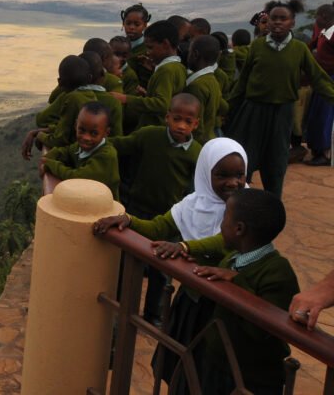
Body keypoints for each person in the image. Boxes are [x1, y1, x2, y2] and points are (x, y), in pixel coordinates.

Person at [93, 138, 247, 393]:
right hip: (193, 301)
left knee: (214, 372)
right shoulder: (192, 204)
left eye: (239, 175)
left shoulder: (246, 208)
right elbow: (159, 227)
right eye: (222, 175)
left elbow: (225, 242)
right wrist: (128, 221)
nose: (233, 182)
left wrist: (187, 247)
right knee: (183, 365)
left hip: (225, 305)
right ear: (206, 173)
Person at [193, 189, 299, 395]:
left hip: (252, 378)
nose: (221, 224)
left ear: (239, 229)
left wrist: (237, 281)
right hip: (218, 364)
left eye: (225, 217)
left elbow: (263, 327)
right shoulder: (232, 259)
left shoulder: (278, 272)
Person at [109, 93, 203, 324]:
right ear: (167, 117)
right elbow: (119, 146)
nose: (181, 126)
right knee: (126, 261)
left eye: (187, 122)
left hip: (170, 217)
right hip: (137, 209)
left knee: (162, 269)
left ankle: (155, 315)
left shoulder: (197, 154)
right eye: (176, 119)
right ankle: (120, 307)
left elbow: (196, 190)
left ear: (196, 124)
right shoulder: (149, 136)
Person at [227, 0, 334, 196]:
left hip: (282, 113)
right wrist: (227, 109)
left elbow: (318, 78)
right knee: (246, 159)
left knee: (276, 162)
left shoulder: (299, 49)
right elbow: (242, 83)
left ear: (292, 22)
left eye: (283, 19)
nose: (277, 22)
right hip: (253, 111)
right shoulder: (257, 47)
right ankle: (240, 203)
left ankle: (272, 206)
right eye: (273, 18)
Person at [111, 21, 186, 130]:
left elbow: (162, 104)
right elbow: (168, 98)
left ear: (165, 44)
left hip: (155, 128)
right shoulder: (178, 67)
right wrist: (148, 95)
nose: (147, 52)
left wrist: (126, 98)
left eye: (150, 47)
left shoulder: (166, 70)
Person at [39, 102, 119, 199]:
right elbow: (66, 151)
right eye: (82, 130)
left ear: (106, 133)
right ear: (76, 125)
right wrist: (50, 155)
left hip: (104, 210)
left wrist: (50, 165)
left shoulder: (106, 156)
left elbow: (77, 178)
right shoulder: (80, 146)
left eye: (94, 133)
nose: (86, 137)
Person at [21, 55, 91, 159]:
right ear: (90, 78)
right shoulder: (90, 95)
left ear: (60, 82)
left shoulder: (72, 99)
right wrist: (36, 132)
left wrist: (40, 135)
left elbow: (59, 139)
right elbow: (64, 128)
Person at [184, 35, 228, 143]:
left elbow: (196, 126)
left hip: (200, 143)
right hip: (210, 137)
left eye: (189, 52)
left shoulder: (196, 86)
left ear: (195, 54)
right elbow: (224, 107)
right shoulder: (212, 80)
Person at [305, 4, 334, 165]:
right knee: (316, 115)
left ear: (325, 17)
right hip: (321, 79)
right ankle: (316, 149)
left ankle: (325, 153)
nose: (315, 20)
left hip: (330, 80)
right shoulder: (324, 34)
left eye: (317, 16)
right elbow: (309, 47)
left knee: (325, 116)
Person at [121, 3, 154, 88]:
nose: (131, 27)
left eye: (137, 24)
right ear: (123, 23)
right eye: (128, 23)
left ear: (145, 25)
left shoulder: (149, 49)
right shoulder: (116, 45)